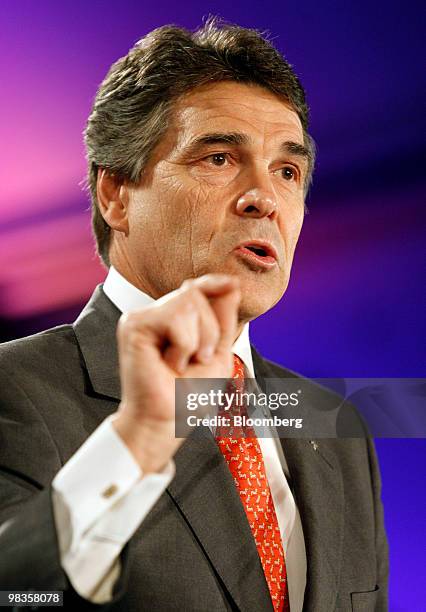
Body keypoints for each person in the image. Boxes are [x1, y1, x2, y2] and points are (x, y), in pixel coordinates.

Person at [0, 18, 388, 612]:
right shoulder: (16, 389)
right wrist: (136, 441)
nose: (265, 197)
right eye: (219, 158)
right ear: (116, 194)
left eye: (288, 171)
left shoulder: (336, 429)